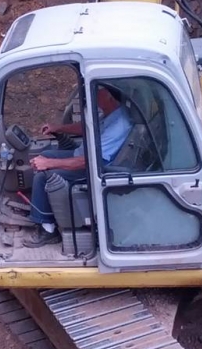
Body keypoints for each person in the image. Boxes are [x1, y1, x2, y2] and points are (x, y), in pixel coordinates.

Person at [24, 85, 131, 247]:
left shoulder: (120, 125)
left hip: (94, 169)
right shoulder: (112, 114)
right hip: (81, 154)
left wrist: (49, 164)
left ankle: (48, 229)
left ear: (109, 96)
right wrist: (58, 128)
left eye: (98, 92)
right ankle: (43, 208)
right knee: (45, 155)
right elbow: (85, 128)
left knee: (42, 175)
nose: (93, 96)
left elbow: (89, 162)